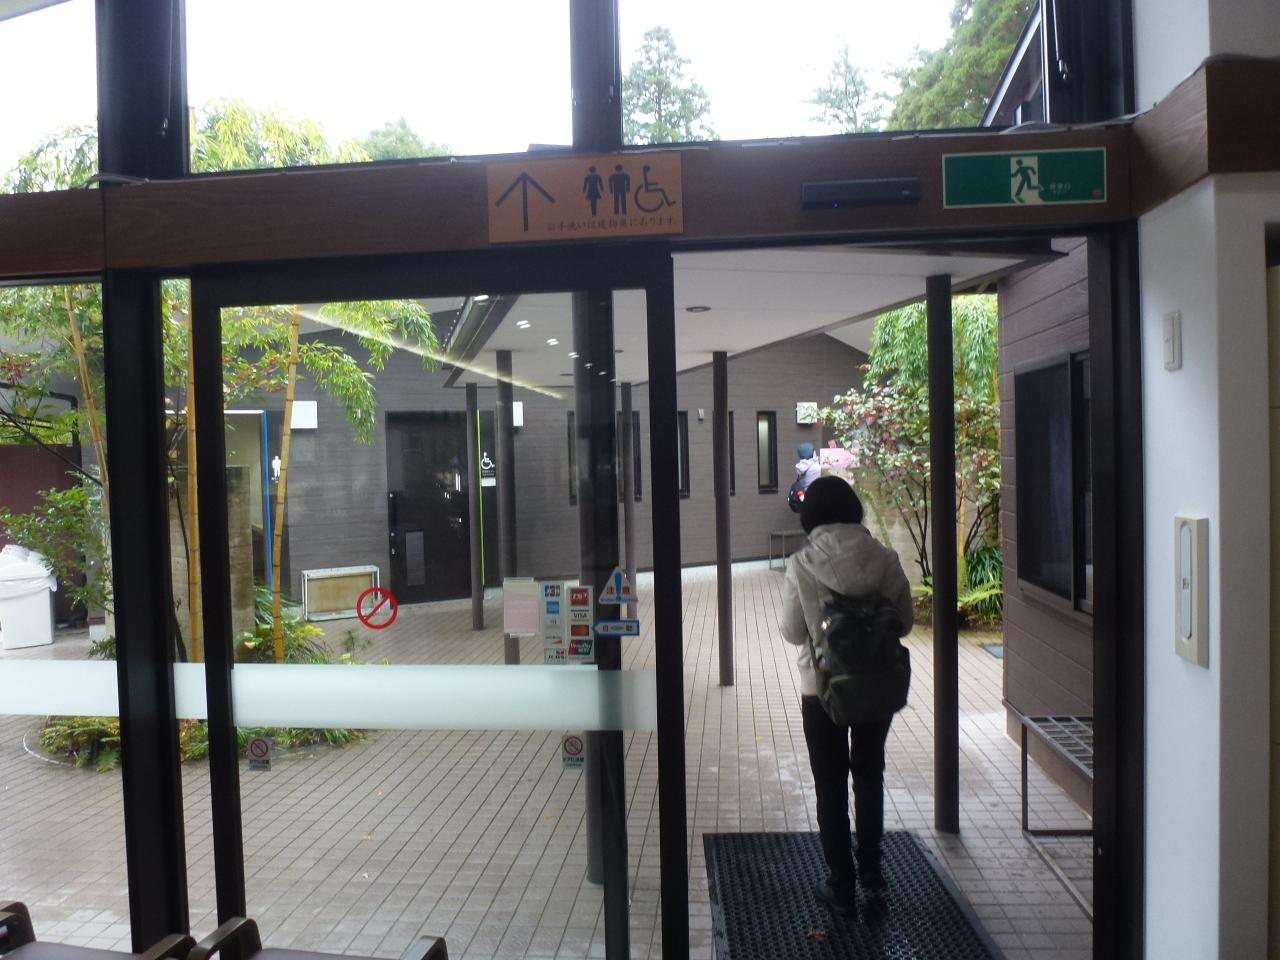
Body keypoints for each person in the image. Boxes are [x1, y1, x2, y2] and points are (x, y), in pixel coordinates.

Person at [780, 476, 913, 918]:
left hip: (822, 689)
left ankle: (841, 885)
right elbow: (905, 622)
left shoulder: (802, 563)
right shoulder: (885, 558)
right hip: (876, 682)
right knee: (869, 773)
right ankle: (872, 870)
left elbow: (793, 631)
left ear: (810, 517)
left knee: (830, 783)